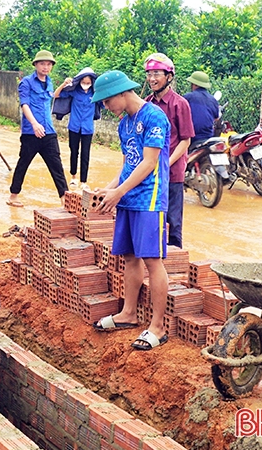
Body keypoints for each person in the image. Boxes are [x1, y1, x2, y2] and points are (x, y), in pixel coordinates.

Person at [90, 70, 171, 351]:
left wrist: (119, 191)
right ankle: (128, 313)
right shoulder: (125, 124)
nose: (106, 108)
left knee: (152, 260)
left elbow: (149, 163)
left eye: (107, 101)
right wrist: (108, 189)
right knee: (129, 257)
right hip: (127, 198)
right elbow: (128, 164)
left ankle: (158, 327)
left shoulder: (154, 117)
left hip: (149, 199)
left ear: (122, 93)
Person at [144, 53, 194, 248]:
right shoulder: (147, 103)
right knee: (151, 219)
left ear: (169, 76)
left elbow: (185, 140)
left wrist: (165, 163)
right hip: (150, 172)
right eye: (149, 74)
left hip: (171, 173)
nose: (152, 79)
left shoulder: (179, 104)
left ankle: (175, 267)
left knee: (173, 222)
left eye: (157, 74)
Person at [7, 50, 68, 207]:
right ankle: (13, 196)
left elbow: (51, 97)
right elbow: (24, 104)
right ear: (35, 65)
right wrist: (34, 123)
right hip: (31, 132)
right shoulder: (26, 82)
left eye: (49, 64)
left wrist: (64, 85)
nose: (45, 67)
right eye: (42, 64)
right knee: (24, 163)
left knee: (56, 165)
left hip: (48, 131)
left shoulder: (49, 82)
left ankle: (65, 199)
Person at [54, 67, 100, 190]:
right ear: (80, 81)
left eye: (88, 83)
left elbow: (106, 102)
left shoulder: (95, 94)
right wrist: (64, 84)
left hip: (88, 129)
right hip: (74, 127)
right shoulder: (74, 91)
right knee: (74, 151)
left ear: (92, 83)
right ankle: (73, 177)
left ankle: (83, 181)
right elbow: (56, 95)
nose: (86, 85)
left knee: (86, 154)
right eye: (84, 82)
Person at [184, 71, 219, 145]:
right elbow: (216, 118)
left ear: (195, 84)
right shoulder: (213, 100)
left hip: (191, 138)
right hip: (208, 137)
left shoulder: (188, 97)